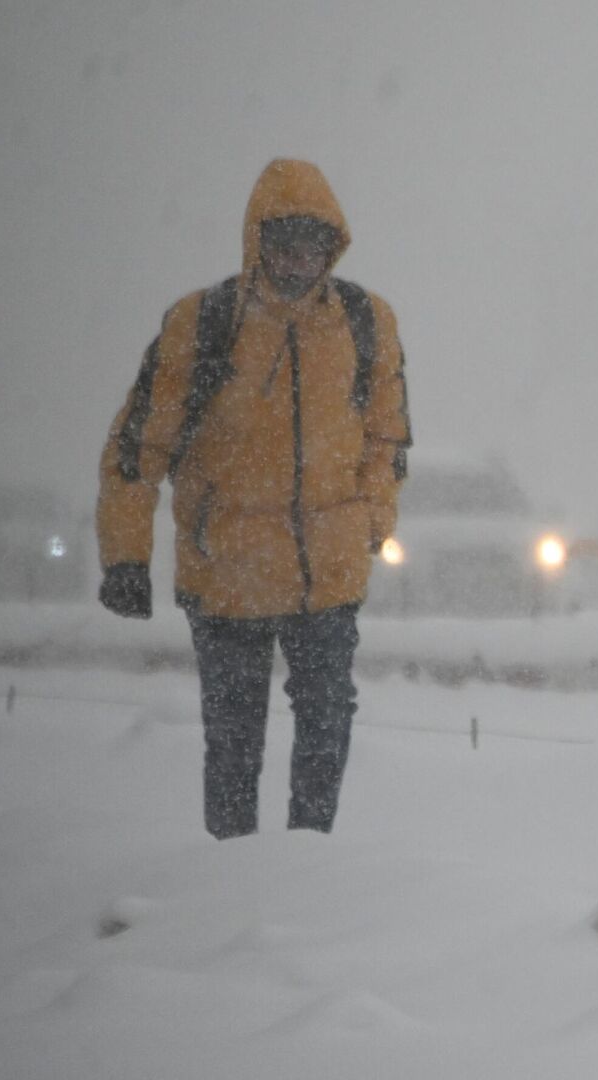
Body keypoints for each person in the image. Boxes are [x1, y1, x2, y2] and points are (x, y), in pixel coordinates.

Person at [96, 159, 411, 840]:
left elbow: (388, 439)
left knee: (327, 725)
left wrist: (371, 521)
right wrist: (126, 557)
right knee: (234, 742)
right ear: (257, 240)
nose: (300, 258)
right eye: (285, 241)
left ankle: (307, 864)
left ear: (335, 246)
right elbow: (135, 450)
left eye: (314, 243)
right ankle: (231, 878)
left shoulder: (366, 322)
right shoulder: (200, 324)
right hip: (227, 575)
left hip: (327, 576)